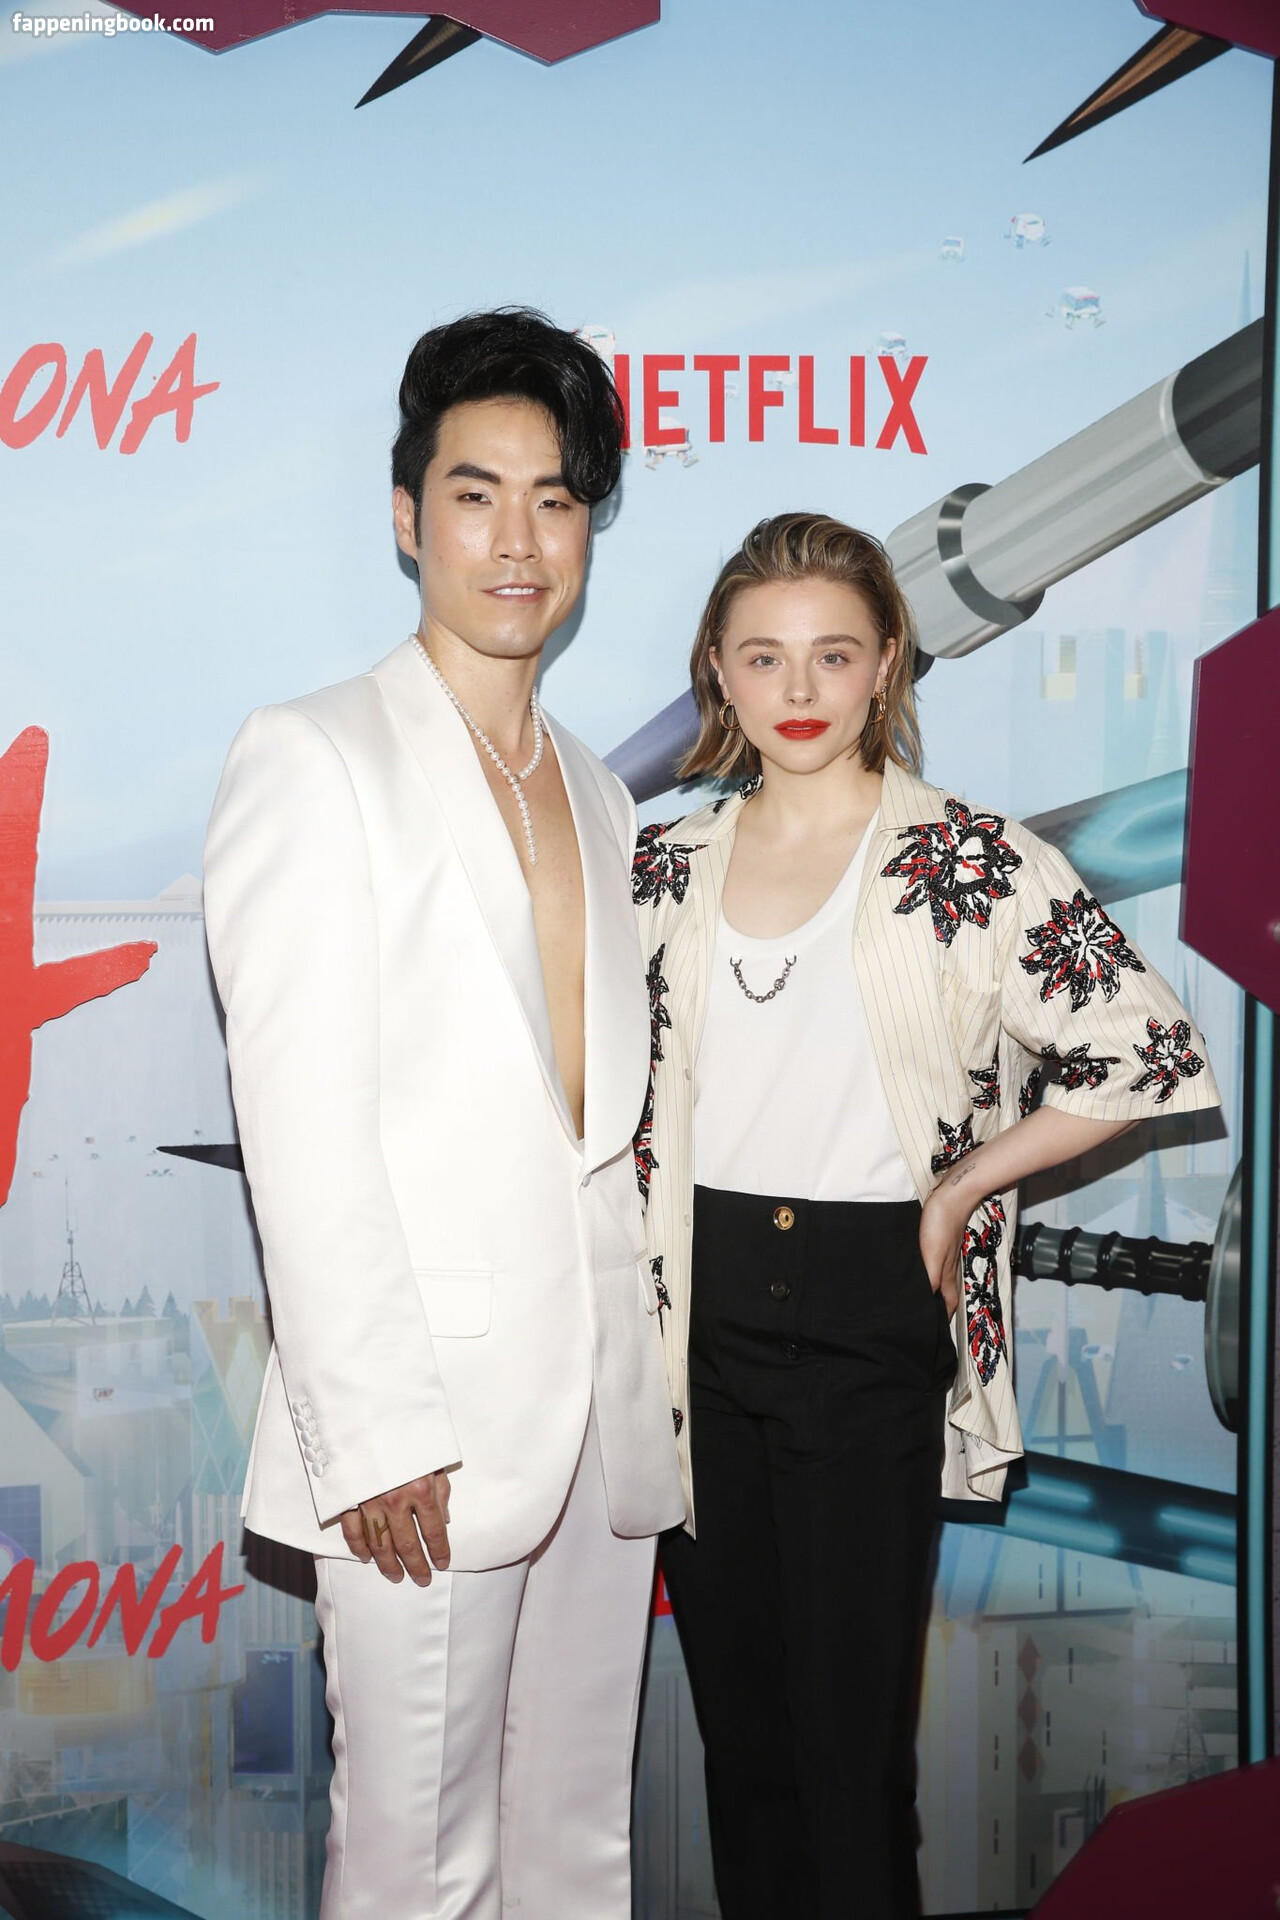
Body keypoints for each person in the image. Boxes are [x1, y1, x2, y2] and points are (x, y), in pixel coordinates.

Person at [633, 512, 1220, 1920]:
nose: (799, 689)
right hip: (687, 1328)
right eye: (763, 656)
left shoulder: (970, 860)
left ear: (888, 660)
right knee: (743, 1754)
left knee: (849, 1765)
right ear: (718, 668)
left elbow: (1148, 1052)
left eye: (833, 654)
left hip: (868, 1316)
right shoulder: (662, 867)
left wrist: (965, 1184)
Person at [203, 308, 683, 1920]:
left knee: (577, 1851)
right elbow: (301, 1125)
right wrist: (374, 1430)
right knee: (420, 1866)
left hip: (600, 1417)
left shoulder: (601, 790)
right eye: (477, 495)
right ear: (409, 517)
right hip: (423, 1427)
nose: (518, 540)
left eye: (556, 499)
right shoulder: (314, 755)